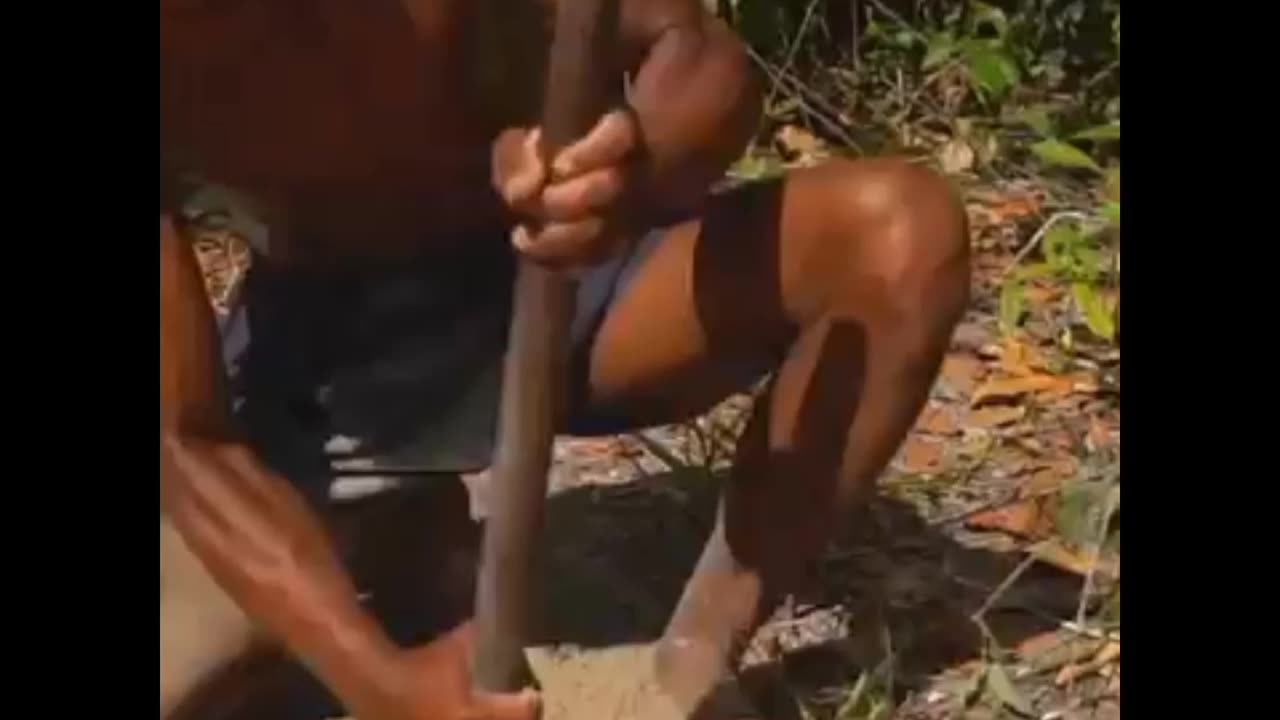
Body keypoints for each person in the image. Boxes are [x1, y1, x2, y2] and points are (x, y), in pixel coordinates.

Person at [159, 0, 971, 718]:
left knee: (899, 236)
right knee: (188, 671)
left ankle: (687, 670)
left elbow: (697, 47)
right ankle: (395, 535)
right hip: (334, 364)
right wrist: (385, 687)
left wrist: (629, 175)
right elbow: (188, 444)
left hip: (563, 285)